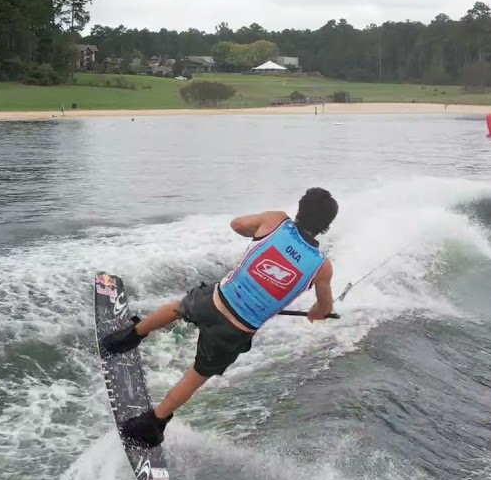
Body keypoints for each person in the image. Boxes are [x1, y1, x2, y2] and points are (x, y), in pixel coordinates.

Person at [99, 187, 340, 448]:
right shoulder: (321, 266)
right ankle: (153, 423)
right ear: (325, 227)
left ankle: (128, 337)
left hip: (215, 299)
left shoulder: (275, 221)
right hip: (236, 330)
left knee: (179, 308)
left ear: (300, 209)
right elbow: (324, 308)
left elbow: (237, 225)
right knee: (197, 374)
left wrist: (256, 232)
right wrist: (317, 312)